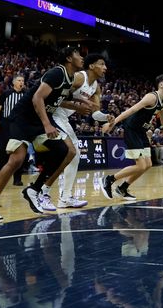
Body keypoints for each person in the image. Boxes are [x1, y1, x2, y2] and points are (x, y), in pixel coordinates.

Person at [0, 47, 83, 222]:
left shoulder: (69, 78)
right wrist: (47, 124)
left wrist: (80, 105)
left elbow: (59, 100)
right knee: (17, 159)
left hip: (38, 121)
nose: (81, 57)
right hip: (23, 118)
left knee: (64, 151)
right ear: (68, 58)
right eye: (78, 55)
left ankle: (33, 189)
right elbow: (37, 98)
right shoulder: (57, 73)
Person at [100, 75, 163, 201]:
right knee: (140, 165)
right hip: (132, 129)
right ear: (161, 85)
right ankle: (109, 179)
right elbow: (132, 109)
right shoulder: (151, 97)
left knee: (148, 164)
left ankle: (122, 188)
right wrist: (113, 123)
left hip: (142, 131)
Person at [52, 53, 111, 209]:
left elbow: (95, 113)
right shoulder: (79, 77)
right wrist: (77, 106)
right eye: (102, 64)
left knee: (74, 156)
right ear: (91, 66)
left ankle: (65, 197)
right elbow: (56, 98)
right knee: (71, 154)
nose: (105, 68)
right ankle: (51, 194)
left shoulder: (96, 87)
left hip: (64, 118)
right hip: (53, 113)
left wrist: (107, 117)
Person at [0, 75, 26, 186]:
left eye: (23, 81)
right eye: (19, 80)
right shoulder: (6, 94)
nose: (21, 82)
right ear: (14, 83)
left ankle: (17, 179)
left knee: (20, 151)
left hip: (20, 125)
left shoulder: (26, 94)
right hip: (7, 124)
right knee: (2, 151)